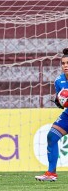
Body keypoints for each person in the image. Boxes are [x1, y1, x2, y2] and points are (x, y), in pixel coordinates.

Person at [35, 47, 68, 181]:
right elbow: (62, 102)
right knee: (51, 137)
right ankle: (51, 173)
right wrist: (59, 102)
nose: (65, 66)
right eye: (63, 63)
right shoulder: (59, 81)